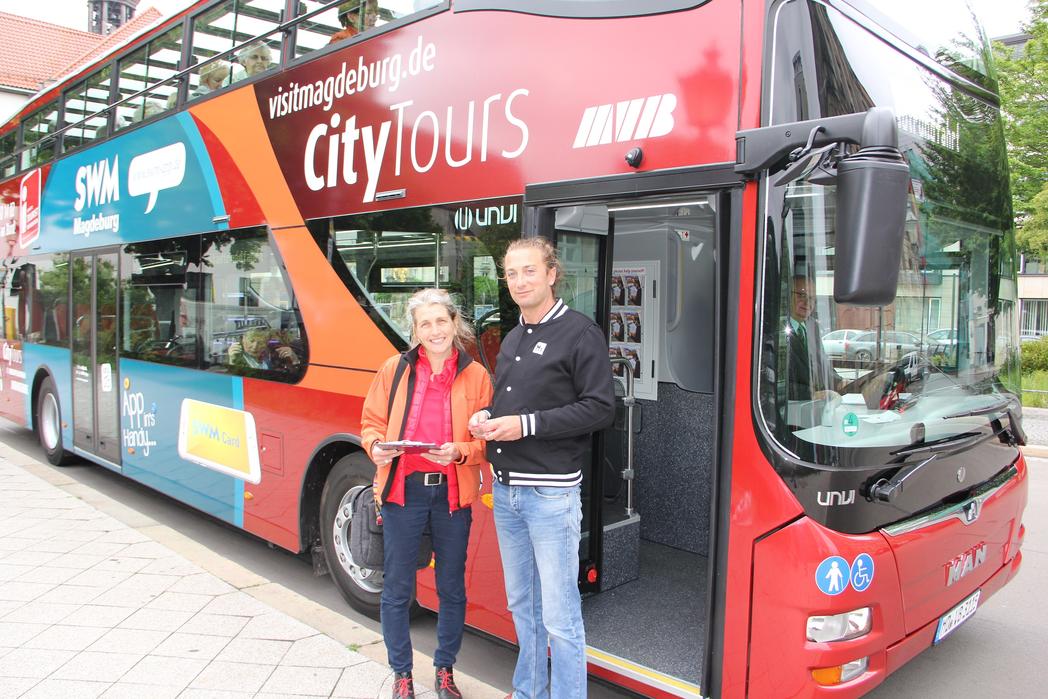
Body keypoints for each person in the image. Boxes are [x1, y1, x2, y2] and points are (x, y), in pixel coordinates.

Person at [469, 238, 615, 699]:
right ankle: (529, 691)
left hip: (549, 496)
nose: (519, 282)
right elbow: (515, 405)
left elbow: (599, 409)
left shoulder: (580, 333)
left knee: (560, 613)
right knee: (522, 606)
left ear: (551, 274)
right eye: (511, 274)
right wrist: (488, 419)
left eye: (528, 271)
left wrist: (525, 425)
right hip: (508, 493)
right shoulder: (513, 337)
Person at [361, 288, 493, 699]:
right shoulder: (394, 370)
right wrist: (376, 446)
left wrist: (459, 452)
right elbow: (370, 423)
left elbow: (488, 443)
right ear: (414, 331)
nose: (434, 331)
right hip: (404, 492)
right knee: (399, 588)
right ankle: (402, 673)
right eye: (425, 324)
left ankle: (445, 670)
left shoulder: (477, 376)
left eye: (441, 321)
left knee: (452, 587)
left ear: (455, 324)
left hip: (452, 495)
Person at [786, 275, 842, 401]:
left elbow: (822, 365)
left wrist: (842, 383)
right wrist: (811, 395)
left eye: (812, 299)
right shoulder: (777, 328)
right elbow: (771, 382)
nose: (808, 303)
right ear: (787, 295)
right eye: (801, 295)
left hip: (816, 409)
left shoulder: (812, 326)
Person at [228, 327, 299, 371]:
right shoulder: (235, 354)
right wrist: (233, 360)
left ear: (266, 344)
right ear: (243, 340)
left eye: (260, 342)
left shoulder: (269, 357)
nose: (255, 346)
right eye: (251, 341)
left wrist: (294, 359)